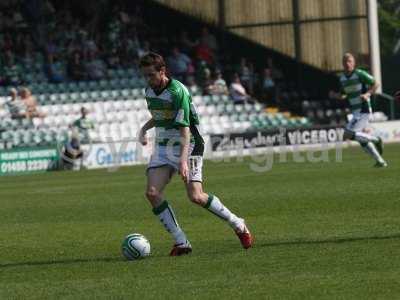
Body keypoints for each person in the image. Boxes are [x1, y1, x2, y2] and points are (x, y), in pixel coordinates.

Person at [138, 52, 253, 256]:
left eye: (150, 75)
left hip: (189, 144)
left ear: (162, 71)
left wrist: (182, 162)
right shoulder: (149, 91)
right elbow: (159, 116)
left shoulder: (177, 91)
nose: (148, 79)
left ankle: (237, 223)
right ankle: (181, 241)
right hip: (164, 146)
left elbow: (185, 130)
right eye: (145, 75)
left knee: (196, 196)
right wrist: (143, 129)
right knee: (152, 193)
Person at [329, 53, 387, 167]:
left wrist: (367, 94)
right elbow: (343, 95)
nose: (347, 63)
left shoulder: (360, 74)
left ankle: (376, 140)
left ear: (354, 63)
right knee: (361, 139)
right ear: (342, 63)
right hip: (355, 111)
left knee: (347, 134)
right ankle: (380, 161)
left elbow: (376, 83)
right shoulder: (342, 78)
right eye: (345, 61)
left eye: (350, 61)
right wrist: (334, 95)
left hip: (363, 109)